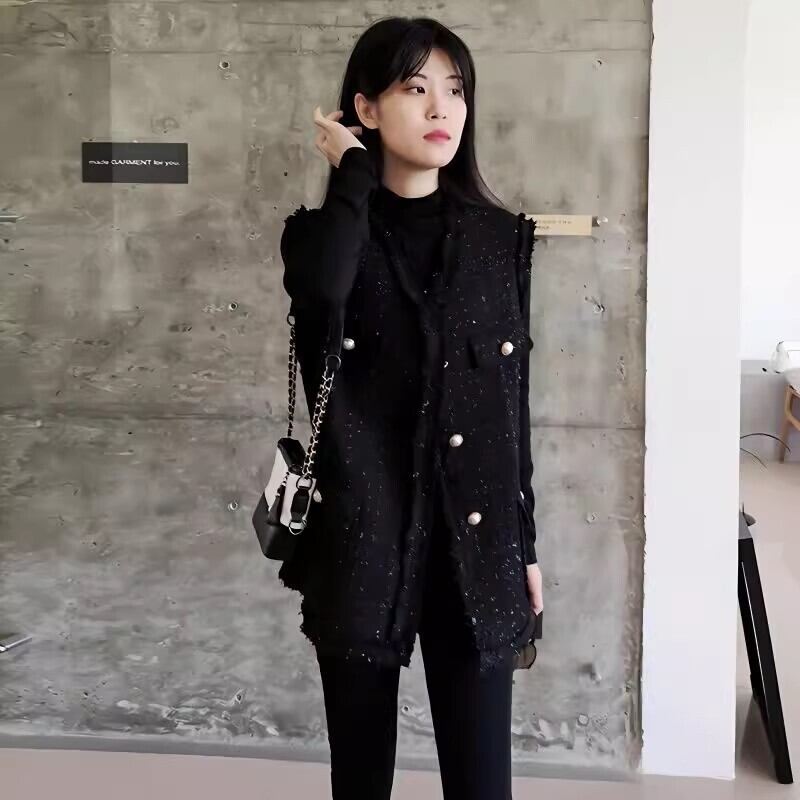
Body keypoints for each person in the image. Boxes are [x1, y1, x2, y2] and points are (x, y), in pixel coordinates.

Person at [277, 15, 544, 800]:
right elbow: (323, 290)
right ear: (365, 108)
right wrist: (354, 172)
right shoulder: (322, 240)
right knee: (360, 782)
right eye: (414, 88)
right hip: (363, 545)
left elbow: (512, 408)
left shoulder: (500, 242)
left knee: (483, 784)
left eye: (455, 91)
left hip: (477, 547)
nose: (441, 109)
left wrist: (526, 544)